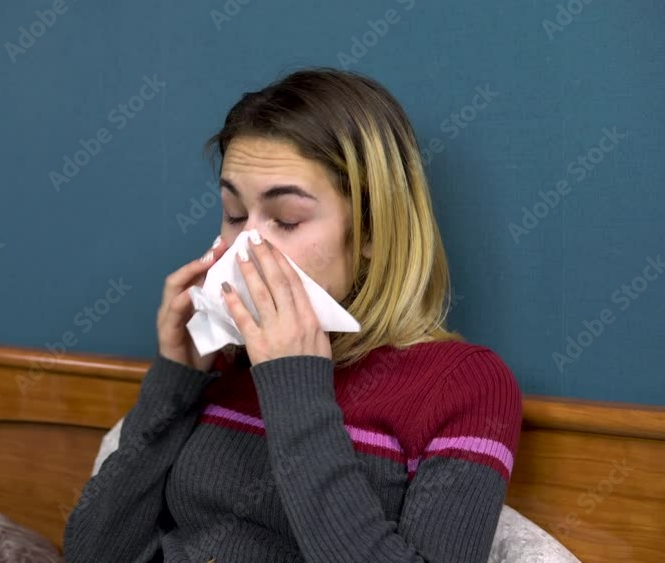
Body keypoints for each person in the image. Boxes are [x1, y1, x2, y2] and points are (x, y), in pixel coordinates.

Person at [63, 67, 522, 563]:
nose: (245, 248)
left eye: (285, 219)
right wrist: (175, 380)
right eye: (235, 214)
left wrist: (294, 387)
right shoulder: (223, 362)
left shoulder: (465, 386)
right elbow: (92, 553)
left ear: (371, 230)